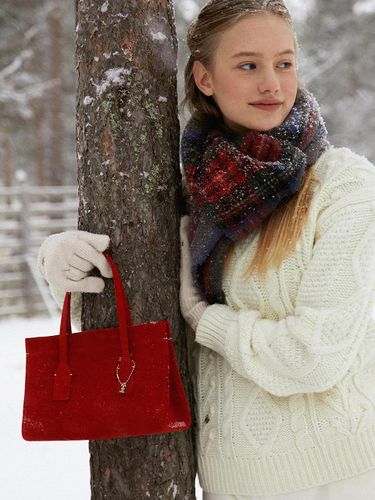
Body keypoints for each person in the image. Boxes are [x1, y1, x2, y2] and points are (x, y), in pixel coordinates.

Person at [37, 1, 375, 499]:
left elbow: (315, 356)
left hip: (335, 479)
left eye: (284, 63)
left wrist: (203, 316)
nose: (273, 85)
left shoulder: (344, 187)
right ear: (205, 78)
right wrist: (60, 256)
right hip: (224, 482)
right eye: (248, 65)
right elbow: (135, 295)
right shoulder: (196, 193)